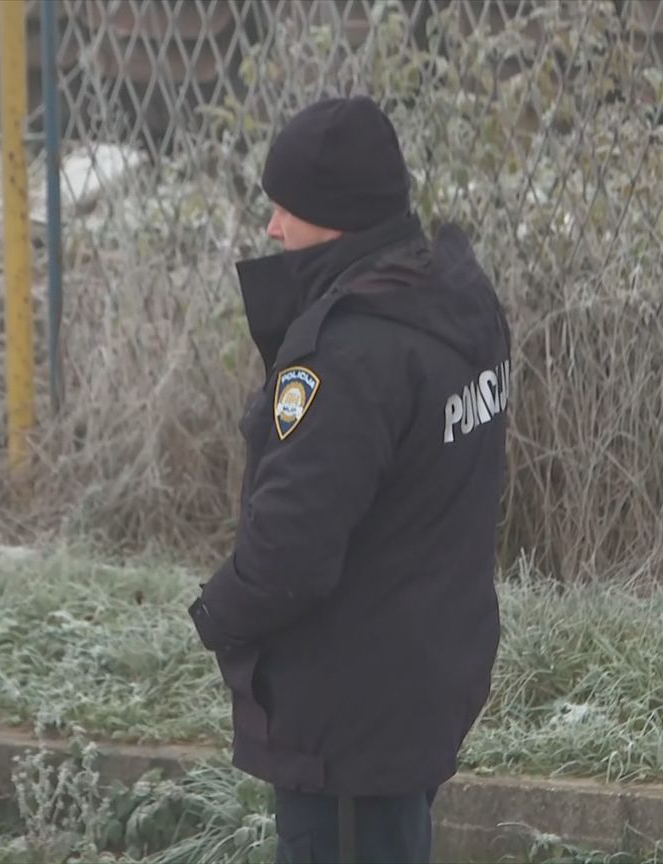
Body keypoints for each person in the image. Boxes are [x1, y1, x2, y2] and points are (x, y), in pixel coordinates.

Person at [187, 95, 511, 864]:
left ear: (333, 217)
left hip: (347, 721)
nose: (272, 228)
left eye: (286, 208)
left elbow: (289, 550)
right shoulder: (453, 306)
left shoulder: (348, 356)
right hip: (421, 680)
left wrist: (215, 615)